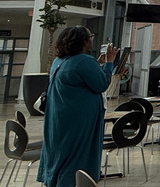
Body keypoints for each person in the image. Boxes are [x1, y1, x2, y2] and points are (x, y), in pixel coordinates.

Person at [37, 26, 116, 187]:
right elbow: (101, 84)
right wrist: (109, 63)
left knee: (61, 152)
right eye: (90, 36)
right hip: (79, 121)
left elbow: (81, 79)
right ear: (83, 40)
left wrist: (97, 64)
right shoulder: (84, 61)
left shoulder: (59, 61)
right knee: (77, 154)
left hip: (60, 117)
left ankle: (55, 180)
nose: (92, 39)